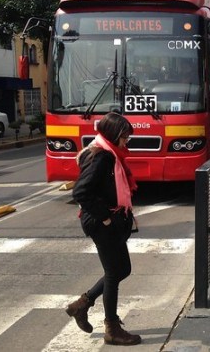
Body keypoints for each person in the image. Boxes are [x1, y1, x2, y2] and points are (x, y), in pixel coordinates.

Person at [67, 112, 141, 346]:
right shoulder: (102, 158)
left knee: (122, 269)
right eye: (124, 137)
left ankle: (82, 304)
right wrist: (106, 218)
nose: (126, 141)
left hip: (111, 221)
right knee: (114, 272)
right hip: (101, 224)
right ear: (113, 135)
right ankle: (112, 328)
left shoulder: (111, 153)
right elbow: (80, 192)